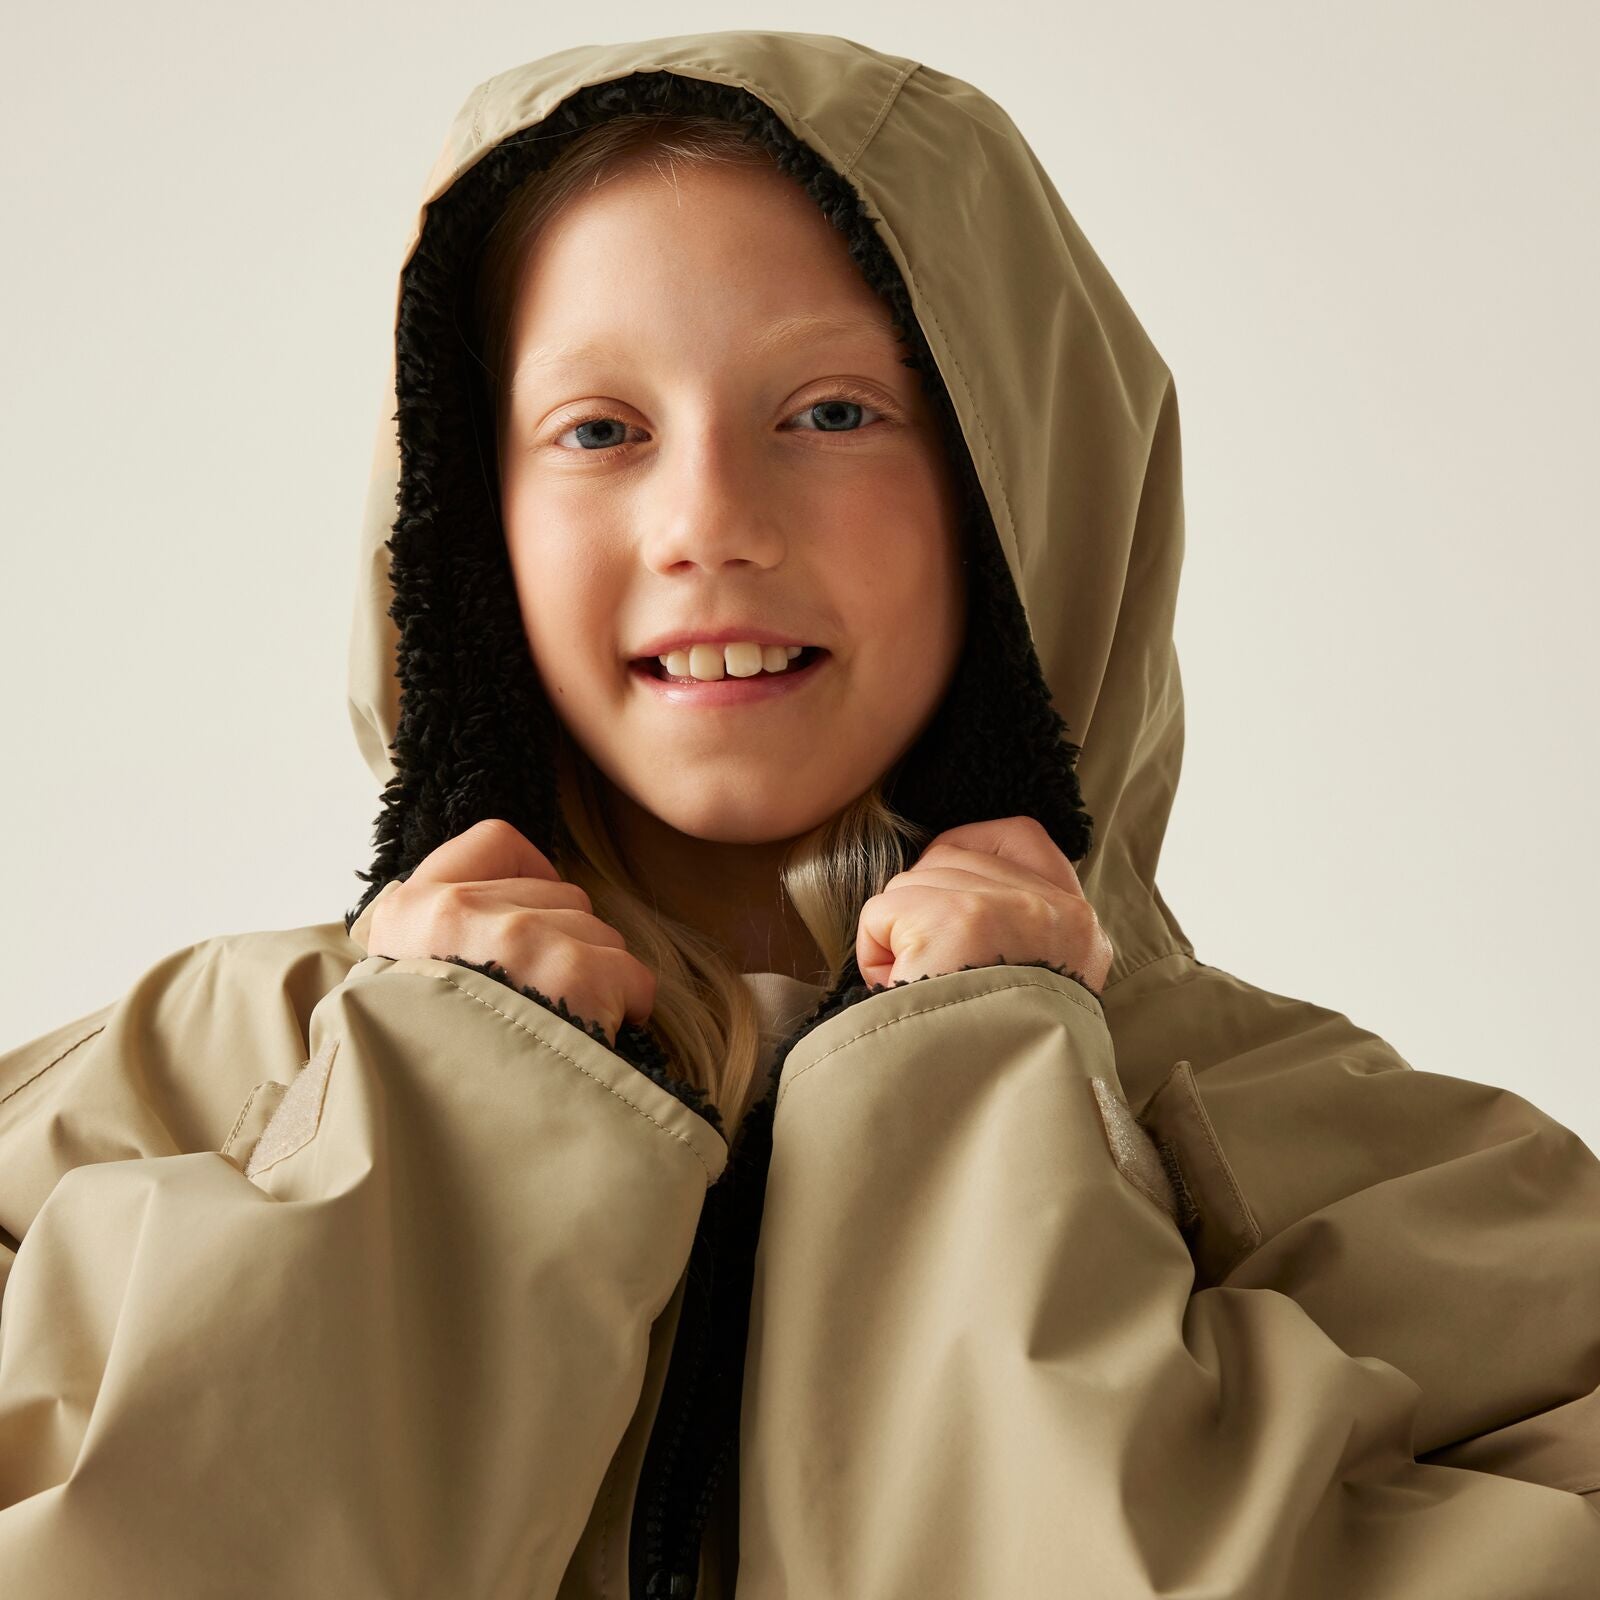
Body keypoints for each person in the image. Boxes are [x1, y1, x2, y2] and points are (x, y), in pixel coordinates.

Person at [1, 29, 1596, 1598]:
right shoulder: (137, 1115)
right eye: (599, 430)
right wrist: (441, 1119)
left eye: (832, 413)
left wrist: (974, 1105)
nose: (707, 524)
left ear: (1016, 485)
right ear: (466, 521)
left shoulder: (1421, 1204)